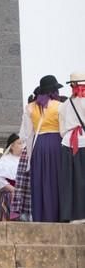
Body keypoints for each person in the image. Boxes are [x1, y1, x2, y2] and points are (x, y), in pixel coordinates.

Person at [18, 75, 63, 222]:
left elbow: (24, 134)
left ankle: (40, 216)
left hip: (39, 145)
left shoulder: (30, 107)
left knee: (39, 180)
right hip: (57, 144)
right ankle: (58, 215)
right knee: (57, 180)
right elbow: (65, 129)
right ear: (54, 90)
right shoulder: (60, 106)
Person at [58, 72, 85, 223]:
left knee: (69, 181)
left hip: (67, 143)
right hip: (82, 142)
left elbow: (62, 130)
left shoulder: (64, 105)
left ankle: (71, 215)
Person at [0, 133, 22, 221]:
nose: (22, 146)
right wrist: (14, 190)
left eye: (23, 143)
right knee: (12, 196)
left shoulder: (27, 160)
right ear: (12, 146)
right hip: (11, 192)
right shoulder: (4, 161)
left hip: (26, 192)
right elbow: (0, 180)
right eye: (19, 143)